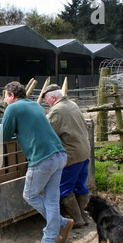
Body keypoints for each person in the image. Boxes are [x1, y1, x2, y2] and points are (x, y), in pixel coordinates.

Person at [0, 81, 74, 243]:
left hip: (43, 159)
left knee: (30, 195)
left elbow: (4, 136)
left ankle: (54, 233)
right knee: (51, 200)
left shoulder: (12, 109)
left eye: (6, 96)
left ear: (12, 96)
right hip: (59, 154)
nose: (5, 100)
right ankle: (55, 232)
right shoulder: (35, 106)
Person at [42, 84, 91, 228]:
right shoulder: (72, 104)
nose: (46, 102)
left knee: (64, 187)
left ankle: (76, 220)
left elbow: (48, 132)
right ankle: (84, 215)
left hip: (71, 155)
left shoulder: (57, 110)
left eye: (46, 99)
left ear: (53, 97)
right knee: (80, 184)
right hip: (84, 151)